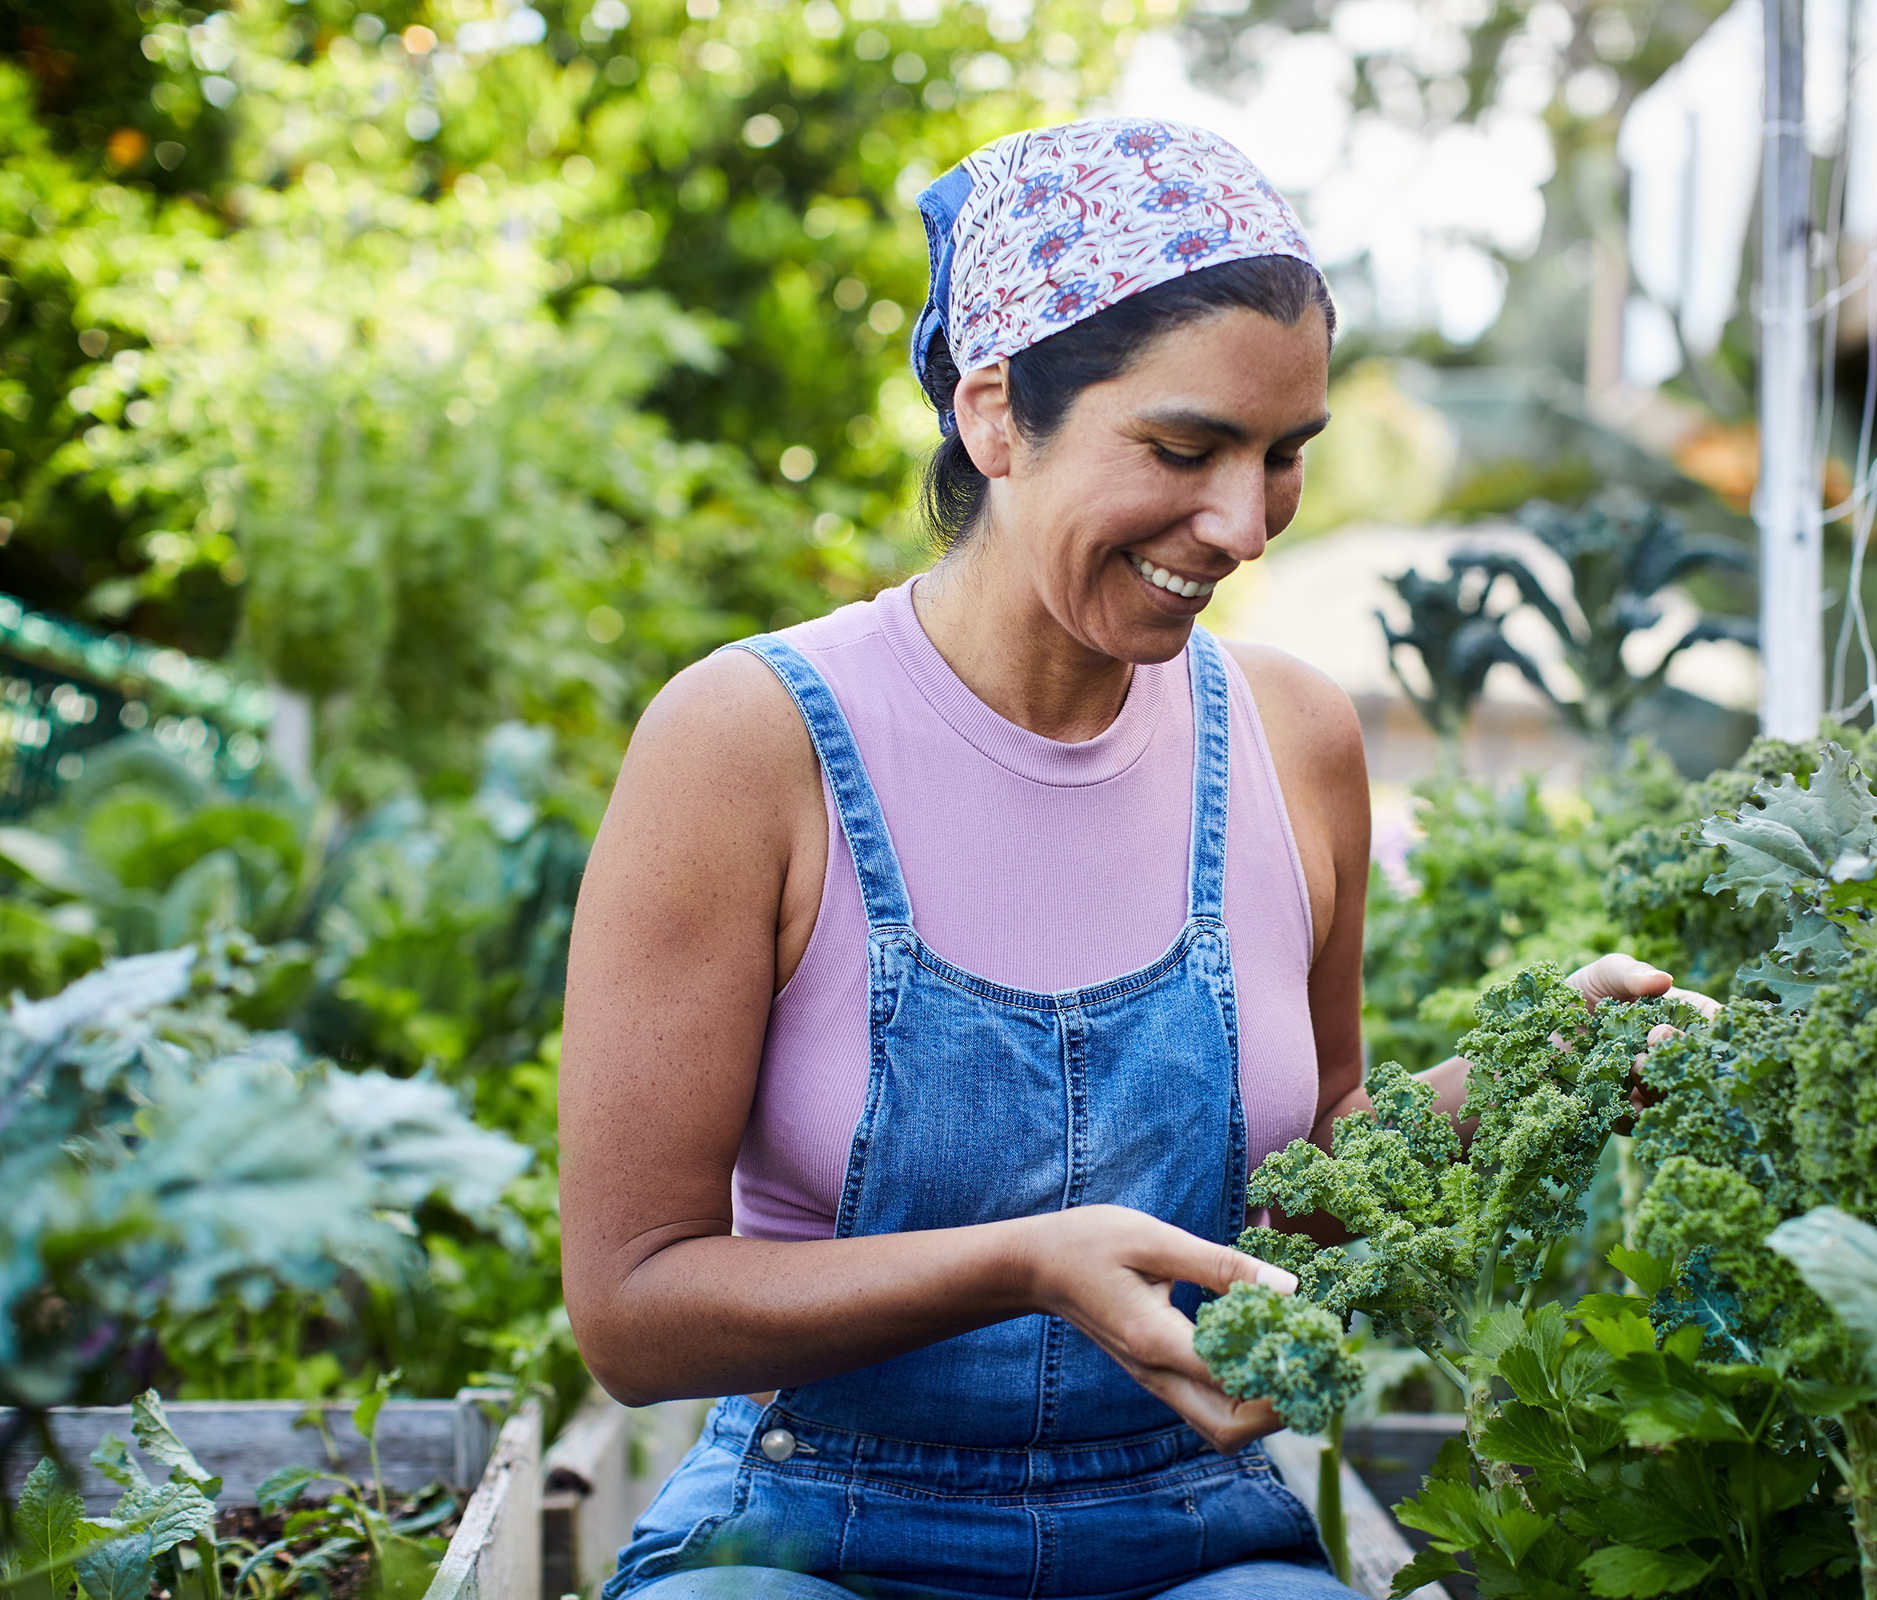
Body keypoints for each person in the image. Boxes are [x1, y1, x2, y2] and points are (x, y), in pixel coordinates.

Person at [558, 117, 1691, 1600]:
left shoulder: (1293, 738)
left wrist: (1540, 1067)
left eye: (1286, 455)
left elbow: (1309, 1177)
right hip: (811, 1526)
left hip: (1188, 1524)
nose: (1245, 523)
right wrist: (1024, 1261)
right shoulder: (754, 743)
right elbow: (634, 1313)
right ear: (994, 416)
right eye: (1183, 447)